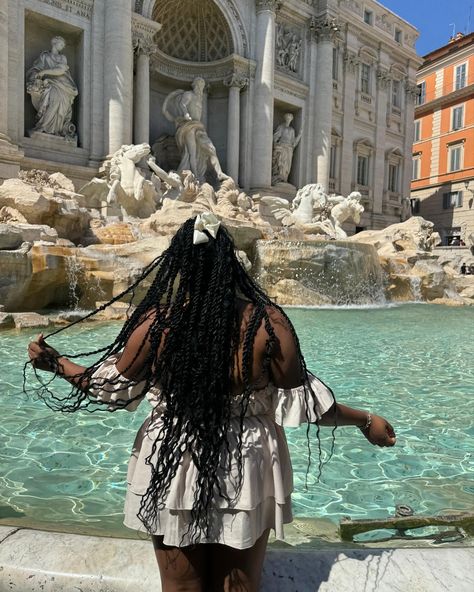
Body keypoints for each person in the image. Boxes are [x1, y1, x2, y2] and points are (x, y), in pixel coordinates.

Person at [27, 213, 396, 592]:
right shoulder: (268, 326)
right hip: (246, 461)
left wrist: (56, 362)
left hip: (172, 455)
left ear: (177, 265)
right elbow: (313, 407)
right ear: (231, 263)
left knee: (181, 586)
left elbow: (106, 388)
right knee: (237, 585)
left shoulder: (157, 325)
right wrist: (365, 420)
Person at [26, 36, 78, 139]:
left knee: (59, 100)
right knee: (53, 97)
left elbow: (61, 70)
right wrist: (36, 76)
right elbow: (35, 69)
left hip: (62, 84)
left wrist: (44, 72)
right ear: (54, 43)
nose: (62, 47)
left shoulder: (62, 58)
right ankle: (44, 126)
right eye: (61, 44)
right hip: (48, 84)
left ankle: (56, 129)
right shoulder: (44, 56)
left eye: (63, 45)